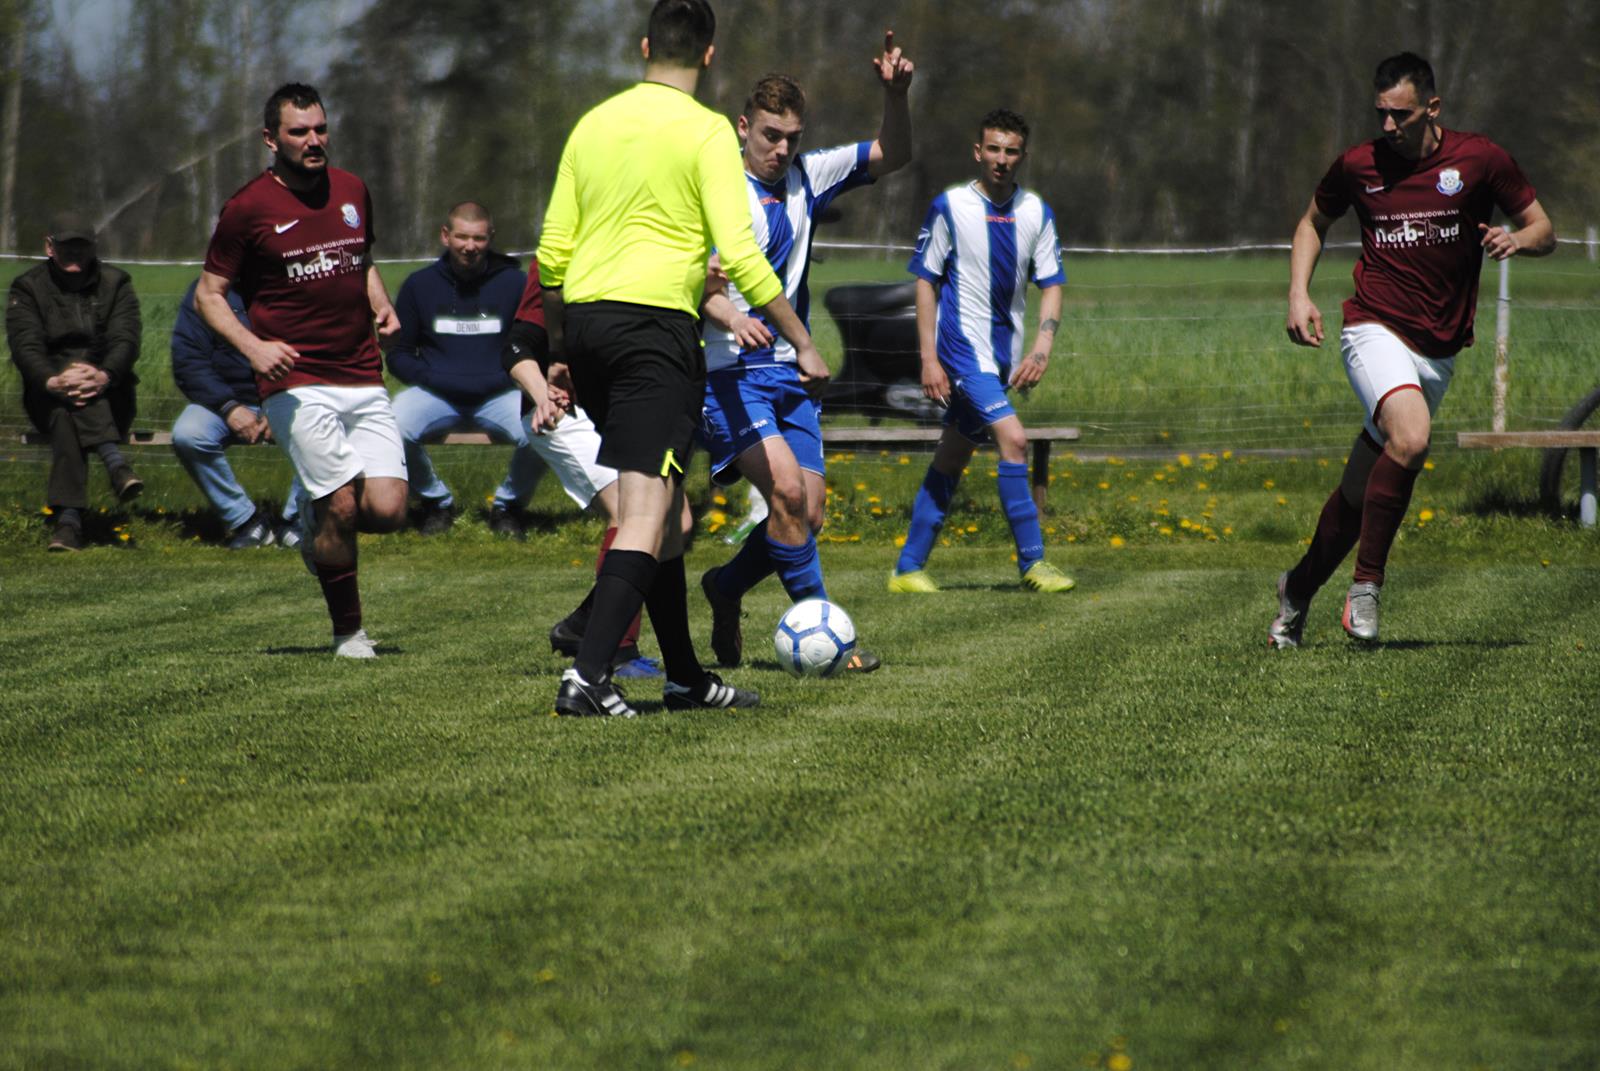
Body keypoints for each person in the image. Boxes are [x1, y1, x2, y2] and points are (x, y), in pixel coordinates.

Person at [526, 0, 823, 717]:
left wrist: (560, 350)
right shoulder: (707, 131)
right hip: (654, 333)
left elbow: (553, 252)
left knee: (664, 515)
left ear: (644, 45)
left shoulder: (593, 125)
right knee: (645, 509)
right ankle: (589, 676)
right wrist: (802, 340)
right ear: (710, 56)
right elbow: (744, 256)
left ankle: (687, 678)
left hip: (591, 329)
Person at [1273, 52, 1554, 647]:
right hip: (1373, 327)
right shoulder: (1357, 165)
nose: (1388, 126)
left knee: (1358, 494)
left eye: (1400, 114)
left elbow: (1543, 230)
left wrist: (1515, 240)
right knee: (1412, 437)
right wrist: (1298, 294)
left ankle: (1296, 591)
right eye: (1381, 113)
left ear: (1432, 107)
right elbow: (1310, 223)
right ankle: (1366, 590)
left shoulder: (1480, 160)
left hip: (1439, 349)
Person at [695, 36, 914, 674]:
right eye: (769, 135)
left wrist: (895, 97)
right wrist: (732, 313)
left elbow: (892, 153)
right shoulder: (712, 193)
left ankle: (725, 587)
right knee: (786, 494)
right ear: (743, 127)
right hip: (727, 373)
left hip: (792, 376)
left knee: (806, 514)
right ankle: (832, 643)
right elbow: (695, 286)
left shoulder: (807, 176)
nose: (780, 149)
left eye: (791, 136)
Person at [197, 82, 408, 659]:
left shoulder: (353, 189)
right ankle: (349, 634)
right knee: (341, 503)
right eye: (299, 131)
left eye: (320, 129)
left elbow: (358, 258)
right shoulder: (246, 209)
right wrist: (254, 348)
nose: (314, 140)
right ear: (271, 139)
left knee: (388, 509)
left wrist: (380, 302)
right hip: (295, 380)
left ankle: (320, 536)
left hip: (362, 371)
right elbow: (208, 295)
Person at [887, 109, 1073, 595]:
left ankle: (907, 569)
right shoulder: (950, 205)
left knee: (953, 455)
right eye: (993, 149)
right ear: (978, 151)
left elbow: (1051, 285)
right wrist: (929, 358)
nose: (1001, 160)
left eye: (1011, 151)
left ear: (1022, 156)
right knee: (1013, 439)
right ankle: (1033, 564)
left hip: (1003, 358)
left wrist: (1042, 348)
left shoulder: (1037, 212)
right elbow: (925, 282)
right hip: (961, 350)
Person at [503, 258, 664, 680]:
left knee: (669, 522)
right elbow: (517, 345)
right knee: (630, 514)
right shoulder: (560, 255)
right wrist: (541, 394)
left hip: (621, 406)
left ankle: (581, 626)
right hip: (562, 411)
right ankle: (618, 650)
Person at [387, 201, 543, 538]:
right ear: (445, 235)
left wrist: (505, 379)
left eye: (479, 238)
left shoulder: (515, 284)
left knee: (544, 427)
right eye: (462, 237)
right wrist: (437, 378)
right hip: (436, 394)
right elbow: (399, 355)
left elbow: (534, 345)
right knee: (390, 424)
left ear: (491, 238)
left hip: (502, 394)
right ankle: (436, 502)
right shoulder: (419, 285)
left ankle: (507, 507)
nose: (470, 247)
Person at [6, 211, 143, 552]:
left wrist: (103, 375)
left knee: (71, 412)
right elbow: (25, 345)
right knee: (64, 409)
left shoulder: (116, 284)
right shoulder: (27, 288)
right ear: (49, 247)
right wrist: (52, 380)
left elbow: (126, 340)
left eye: (82, 247)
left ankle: (68, 523)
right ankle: (116, 465)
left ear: (94, 248)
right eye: (67, 247)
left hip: (112, 392)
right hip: (49, 393)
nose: (75, 254)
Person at [169, 277, 305, 549]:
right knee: (188, 434)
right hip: (223, 400)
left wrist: (274, 401)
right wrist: (228, 407)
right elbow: (188, 359)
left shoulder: (295, 286)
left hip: (287, 395)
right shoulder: (203, 292)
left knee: (322, 424)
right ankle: (246, 520)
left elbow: (312, 355)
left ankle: (296, 519)